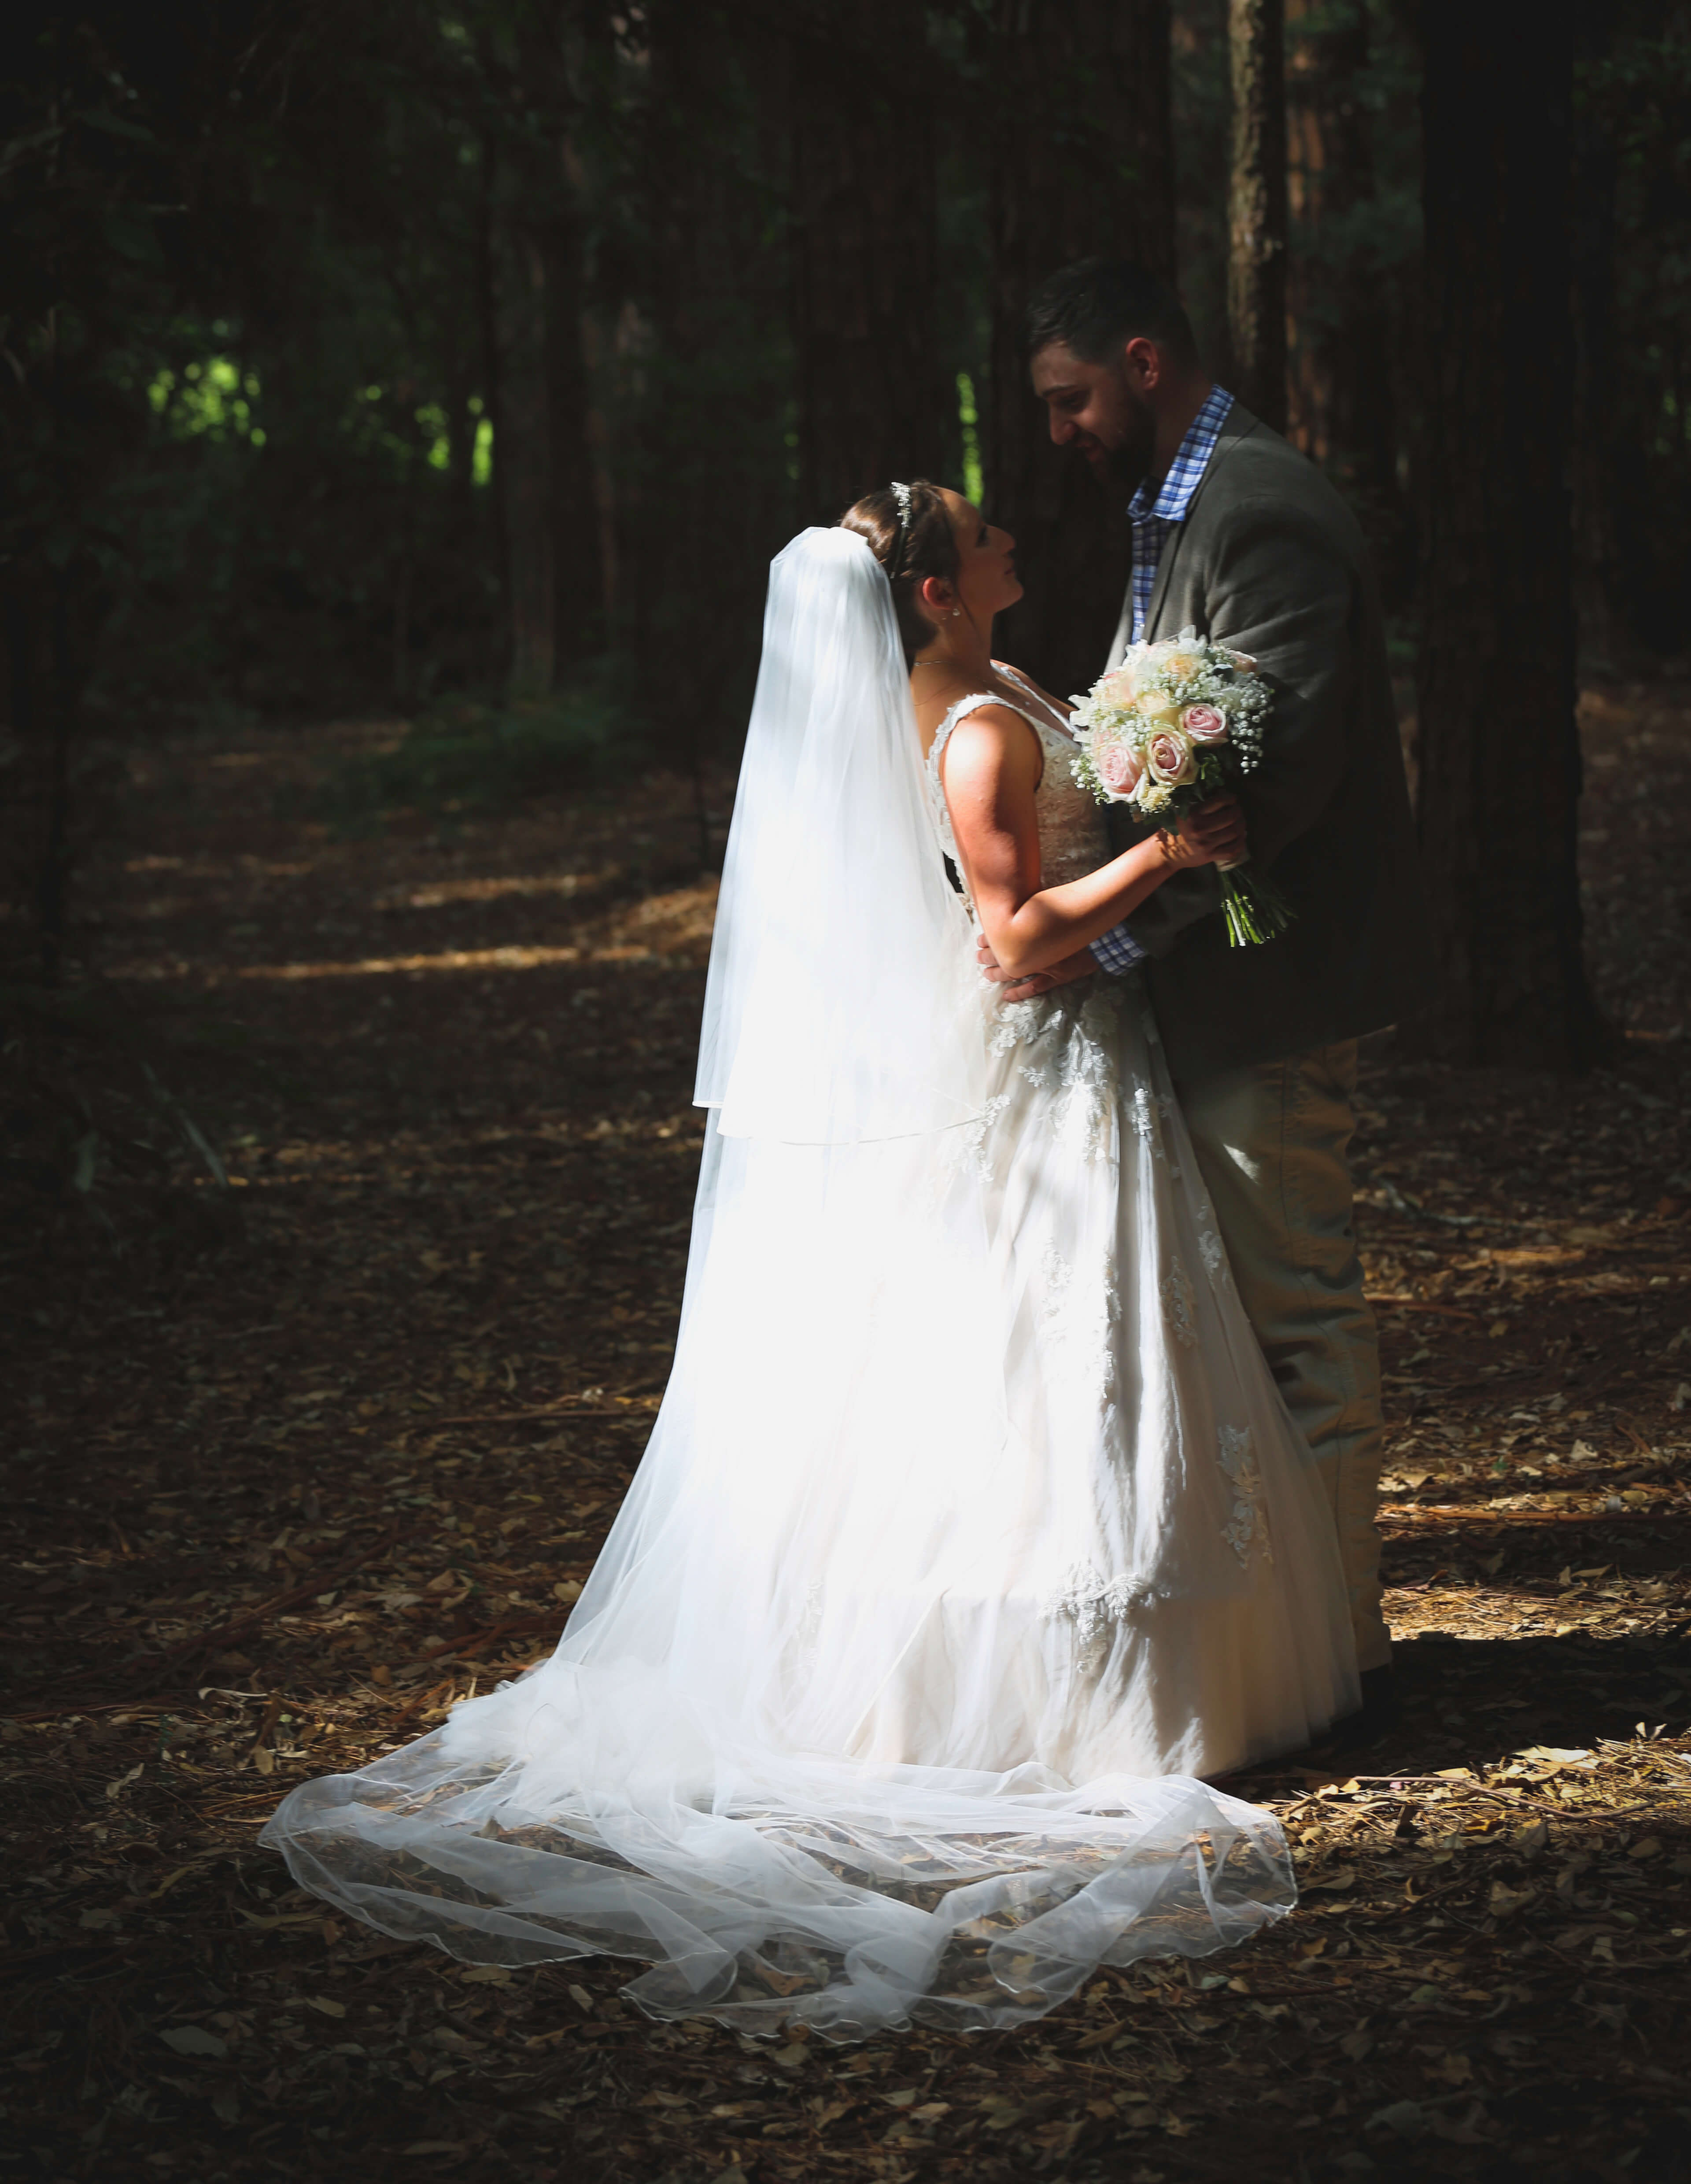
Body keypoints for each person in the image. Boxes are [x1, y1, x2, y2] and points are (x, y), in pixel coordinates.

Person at [260, 501, 1358, 2037]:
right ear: (930, 590)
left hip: (1106, 1065)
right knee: (1053, 1369)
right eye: (976, 534)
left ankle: (1171, 1670)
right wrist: (1173, 848)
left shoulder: (1011, 683)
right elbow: (1013, 942)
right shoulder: (974, 736)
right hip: (1044, 1071)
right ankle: (1045, 1702)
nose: (1001, 534)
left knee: (1111, 1362)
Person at [997, 255, 1437, 1730]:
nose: (1057, 430)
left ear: (1138, 361)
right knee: (1241, 1320)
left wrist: (1108, 939)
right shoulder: (1169, 511)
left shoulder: (1260, 502)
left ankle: (1351, 1654)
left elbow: (1281, 770)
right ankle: (1295, 1647)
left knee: (1300, 1310)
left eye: (1067, 401)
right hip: (1206, 980)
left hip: (1269, 976)